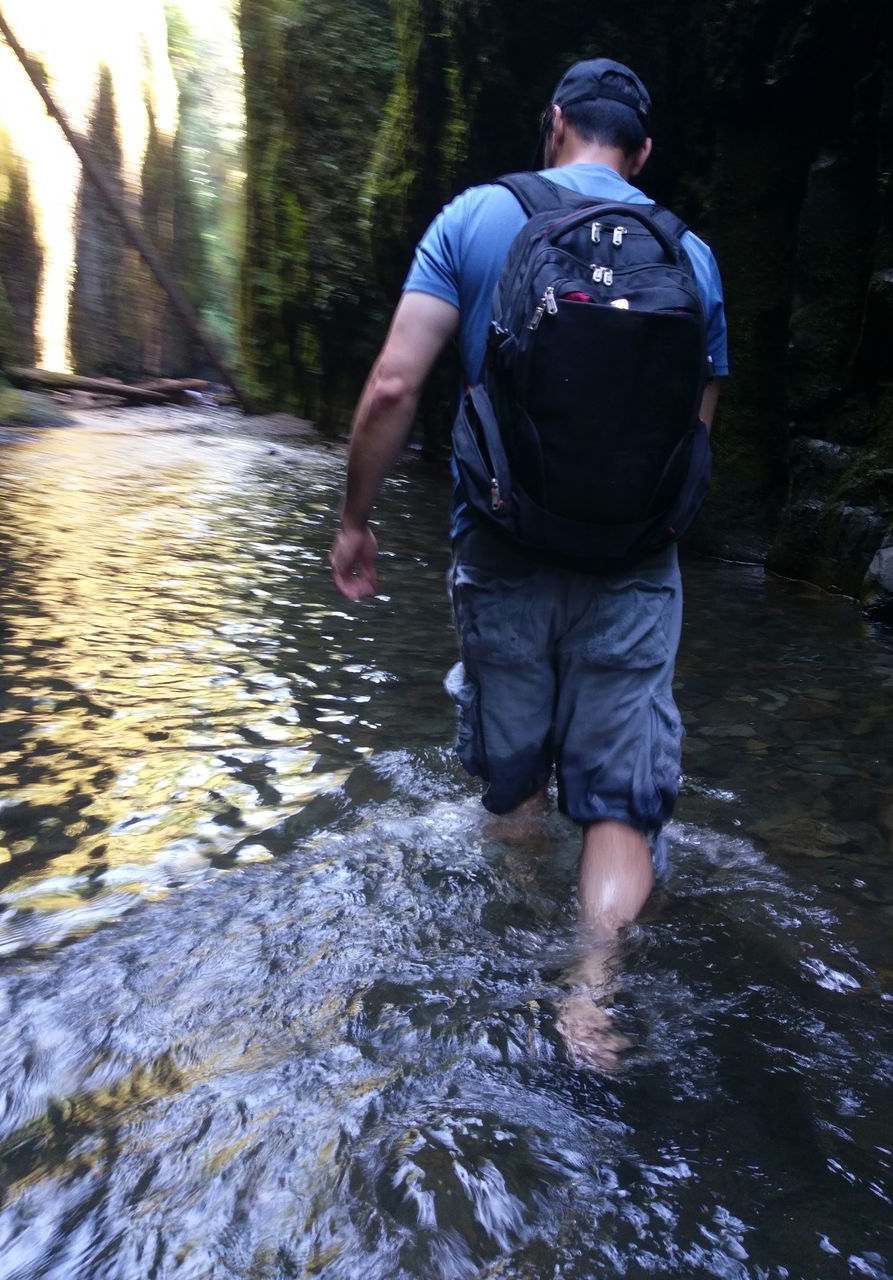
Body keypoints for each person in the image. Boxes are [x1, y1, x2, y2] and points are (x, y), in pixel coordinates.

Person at [330, 58, 728, 1067]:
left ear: (553, 124)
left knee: (515, 787)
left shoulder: (472, 221)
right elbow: (695, 436)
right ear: (642, 153)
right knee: (621, 797)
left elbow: (390, 386)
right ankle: (590, 995)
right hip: (633, 564)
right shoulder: (692, 257)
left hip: (502, 547)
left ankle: (508, 950)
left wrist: (356, 517)